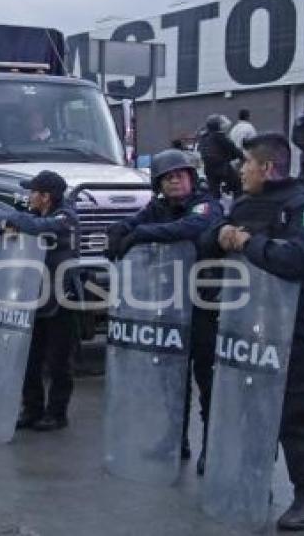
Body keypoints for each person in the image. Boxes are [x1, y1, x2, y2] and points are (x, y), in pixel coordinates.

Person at [199, 133, 304, 531]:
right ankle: (253, 483)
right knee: (245, 413)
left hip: (293, 333)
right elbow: (210, 244)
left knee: (296, 418)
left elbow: (300, 261)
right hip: (246, 329)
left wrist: (246, 241)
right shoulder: (244, 205)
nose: (241, 171)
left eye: (246, 165)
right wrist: (222, 231)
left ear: (267, 168)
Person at [106, 149, 223, 472]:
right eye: (167, 178)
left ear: (191, 177)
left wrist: (142, 234)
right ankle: (174, 440)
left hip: (203, 303)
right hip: (169, 305)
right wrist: (120, 231)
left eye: (180, 175)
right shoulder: (158, 207)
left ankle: (211, 449)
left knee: (207, 381)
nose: (174, 181)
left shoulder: (205, 203)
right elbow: (134, 222)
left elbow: (194, 227)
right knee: (171, 378)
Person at [0, 170, 80, 432]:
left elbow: (38, 228)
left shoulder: (66, 218)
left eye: (33, 192)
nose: (28, 196)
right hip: (34, 296)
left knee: (58, 361)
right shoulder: (34, 214)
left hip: (61, 299)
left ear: (45, 197)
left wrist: (13, 221)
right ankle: (31, 409)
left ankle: (56, 413)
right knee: (29, 358)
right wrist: (6, 224)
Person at [197, 114, 243, 198]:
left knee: (214, 192)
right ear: (217, 126)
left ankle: (215, 206)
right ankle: (237, 205)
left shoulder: (204, 137)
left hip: (209, 169)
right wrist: (245, 158)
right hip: (222, 167)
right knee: (238, 185)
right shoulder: (219, 136)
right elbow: (233, 149)